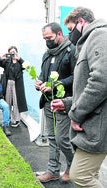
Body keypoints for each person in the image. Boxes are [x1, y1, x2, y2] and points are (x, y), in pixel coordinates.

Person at [51, 7, 107, 188]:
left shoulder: (99, 36)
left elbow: (101, 81)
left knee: (81, 176)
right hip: (92, 121)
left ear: (81, 22)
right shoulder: (90, 40)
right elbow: (85, 86)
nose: (70, 35)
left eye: (70, 30)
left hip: (96, 125)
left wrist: (75, 114)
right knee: (91, 174)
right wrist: (67, 103)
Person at [35, 22, 76, 183]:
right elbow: (43, 74)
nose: (47, 41)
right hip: (47, 101)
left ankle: (73, 166)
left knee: (62, 139)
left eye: (50, 37)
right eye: (44, 38)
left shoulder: (71, 51)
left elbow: (75, 77)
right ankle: (53, 170)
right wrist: (40, 82)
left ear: (59, 34)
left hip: (64, 101)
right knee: (52, 138)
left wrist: (55, 84)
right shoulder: (47, 54)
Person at [0, 46, 28, 127]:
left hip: (17, 84)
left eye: (14, 51)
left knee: (16, 102)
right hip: (8, 83)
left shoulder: (20, 62)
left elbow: (26, 66)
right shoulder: (7, 61)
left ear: (17, 52)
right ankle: (8, 117)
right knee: (8, 101)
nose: (13, 53)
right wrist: (1, 57)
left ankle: (16, 119)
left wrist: (19, 59)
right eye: (11, 52)